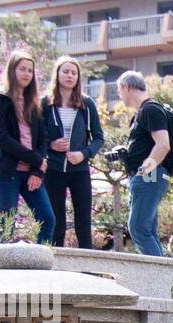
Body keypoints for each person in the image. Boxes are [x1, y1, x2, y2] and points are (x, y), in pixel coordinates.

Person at [0, 50, 54, 243]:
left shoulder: (35, 102)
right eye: (22, 69)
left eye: (30, 70)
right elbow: (2, 139)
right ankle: (1, 268)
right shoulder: (0, 99)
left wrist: (37, 171)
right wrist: (37, 160)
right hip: (7, 171)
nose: (26, 74)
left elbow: (42, 139)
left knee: (47, 219)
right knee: (8, 222)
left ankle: (42, 264)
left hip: (31, 171)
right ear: (12, 71)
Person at [42, 56, 103, 249]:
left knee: (83, 222)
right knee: (56, 222)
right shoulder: (45, 103)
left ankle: (88, 271)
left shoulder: (87, 104)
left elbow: (99, 138)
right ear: (57, 74)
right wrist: (51, 145)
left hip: (80, 170)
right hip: (53, 169)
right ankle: (55, 266)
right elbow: (36, 136)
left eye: (74, 73)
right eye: (66, 71)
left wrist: (83, 154)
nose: (70, 76)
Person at [116, 70, 170, 257]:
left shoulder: (150, 109)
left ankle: (159, 280)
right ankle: (163, 282)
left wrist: (142, 170)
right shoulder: (143, 112)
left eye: (119, 90)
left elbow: (163, 145)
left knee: (138, 229)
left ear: (126, 87)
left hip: (149, 177)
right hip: (149, 177)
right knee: (147, 232)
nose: (119, 95)